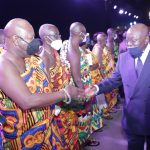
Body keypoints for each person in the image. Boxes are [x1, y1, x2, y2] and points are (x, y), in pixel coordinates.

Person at [0, 18, 84, 149]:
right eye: (30, 38)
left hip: (48, 130)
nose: (34, 42)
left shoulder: (30, 59)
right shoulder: (3, 65)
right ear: (16, 40)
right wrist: (65, 93)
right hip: (26, 140)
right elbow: (27, 101)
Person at [86, 23, 150, 150]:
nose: (129, 45)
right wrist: (97, 88)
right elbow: (114, 80)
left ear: (146, 39)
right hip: (133, 119)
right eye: (128, 41)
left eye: (134, 41)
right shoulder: (124, 57)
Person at [38, 23, 79, 150]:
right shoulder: (44, 57)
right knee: (62, 141)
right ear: (45, 38)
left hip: (67, 104)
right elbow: (46, 88)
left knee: (71, 136)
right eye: (55, 35)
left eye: (59, 34)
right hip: (57, 109)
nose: (59, 37)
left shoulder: (55, 52)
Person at [67, 22, 102, 146]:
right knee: (83, 117)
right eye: (85, 33)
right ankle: (82, 142)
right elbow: (76, 77)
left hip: (82, 86)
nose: (86, 36)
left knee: (83, 117)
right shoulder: (73, 49)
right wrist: (84, 94)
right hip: (80, 89)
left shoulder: (70, 44)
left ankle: (82, 140)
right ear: (81, 34)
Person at [92, 32, 118, 118]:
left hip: (108, 73)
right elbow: (99, 65)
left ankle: (108, 108)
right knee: (102, 95)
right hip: (100, 75)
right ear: (99, 41)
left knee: (108, 92)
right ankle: (104, 113)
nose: (106, 41)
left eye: (105, 39)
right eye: (104, 40)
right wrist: (103, 77)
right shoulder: (98, 49)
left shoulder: (104, 47)